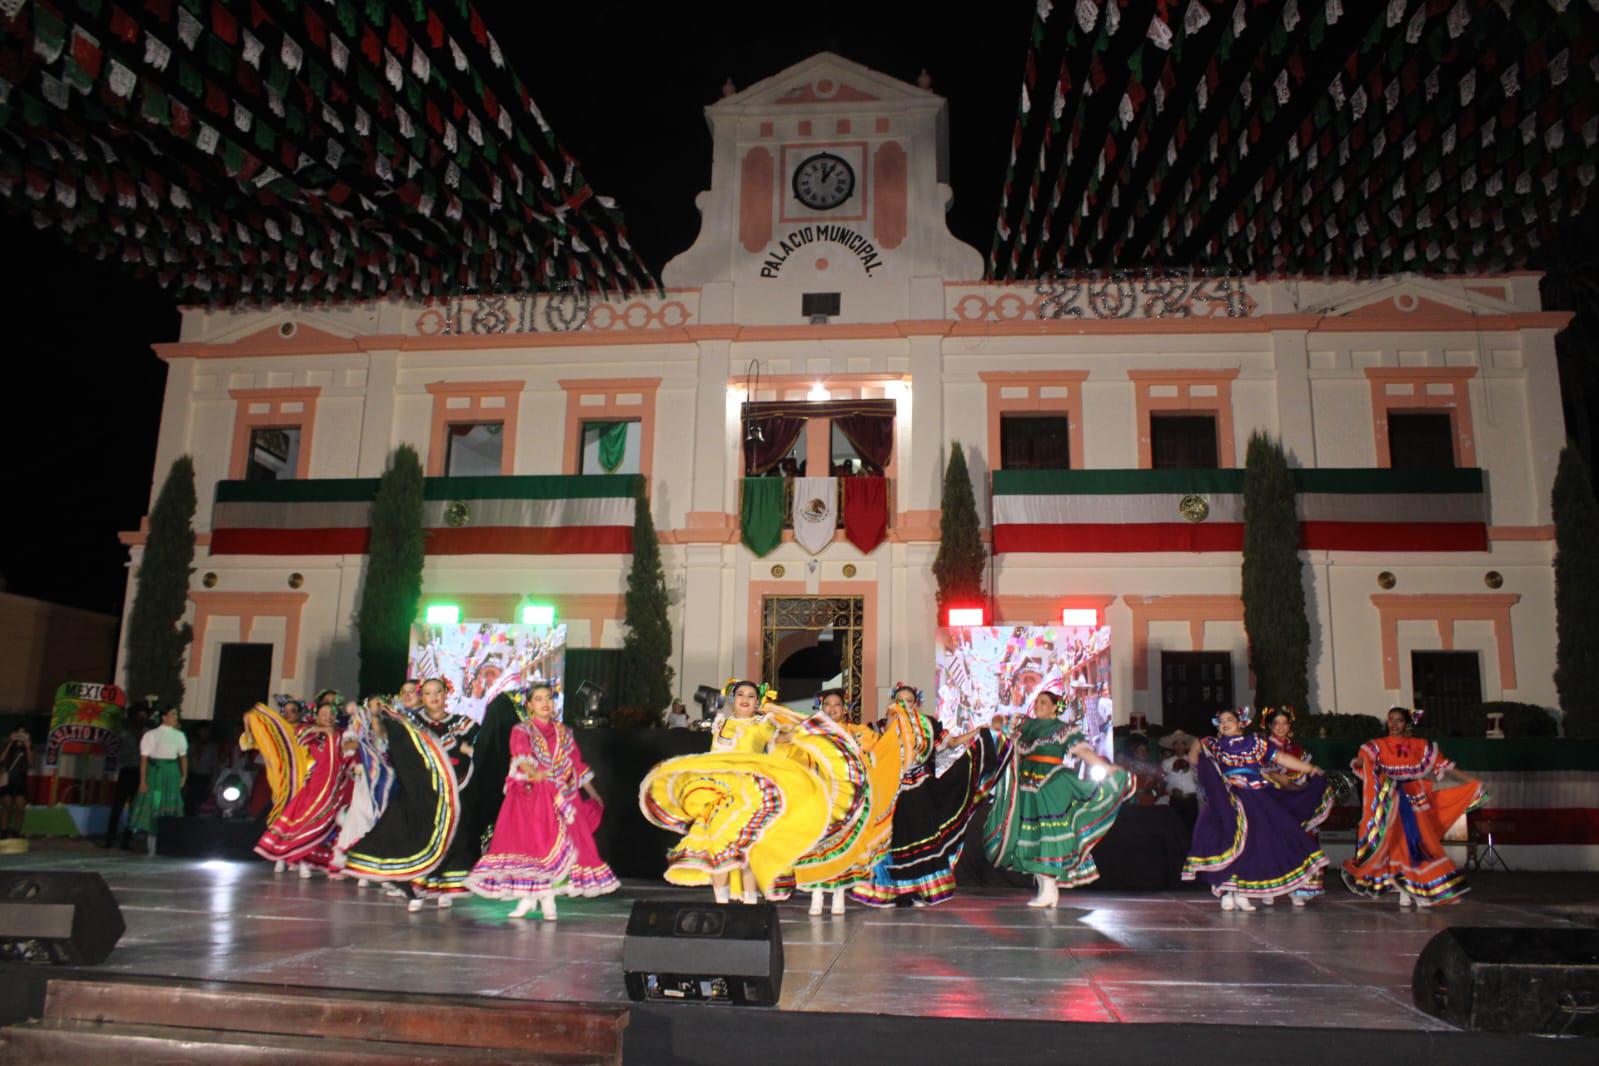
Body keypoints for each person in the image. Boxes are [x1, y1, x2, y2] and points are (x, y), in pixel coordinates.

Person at [640, 680, 831, 904]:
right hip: (719, 791)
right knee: (717, 845)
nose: (745, 699)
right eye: (741, 694)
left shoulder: (764, 723)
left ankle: (750, 903)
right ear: (733, 699)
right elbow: (713, 756)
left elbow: (786, 737)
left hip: (750, 792)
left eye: (751, 696)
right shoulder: (720, 723)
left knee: (747, 849)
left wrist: (811, 731)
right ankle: (721, 902)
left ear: (757, 701)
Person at [466, 682, 619, 920]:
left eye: (548, 698)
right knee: (533, 848)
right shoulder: (522, 730)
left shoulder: (564, 732)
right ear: (529, 705)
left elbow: (576, 765)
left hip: (563, 798)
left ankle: (545, 897)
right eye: (538, 699)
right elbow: (521, 755)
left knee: (556, 849)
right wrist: (534, 772)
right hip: (532, 798)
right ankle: (530, 898)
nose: (545, 703)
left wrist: (592, 791)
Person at [852, 683, 1009, 908]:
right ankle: (893, 891)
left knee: (920, 843)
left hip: (921, 792)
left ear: (916, 704)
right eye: (899, 700)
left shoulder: (927, 725)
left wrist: (978, 732)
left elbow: (951, 743)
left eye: (908, 701)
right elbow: (871, 752)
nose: (904, 704)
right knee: (892, 844)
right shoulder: (880, 727)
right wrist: (891, 723)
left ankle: (919, 891)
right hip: (891, 794)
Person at [983, 688, 1133, 907]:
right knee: (1033, 835)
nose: (1039, 705)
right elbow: (997, 725)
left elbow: (1083, 752)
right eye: (1037, 702)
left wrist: (1106, 768)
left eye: (1045, 702)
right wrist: (1002, 721)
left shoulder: (1063, 729)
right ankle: (1047, 890)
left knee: (1048, 832)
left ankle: (1049, 889)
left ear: (1055, 707)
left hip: (1052, 782)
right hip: (1027, 785)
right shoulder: (1026, 726)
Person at [1182, 708, 1330, 910]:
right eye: (1221, 721)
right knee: (1228, 840)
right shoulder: (1213, 745)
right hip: (1228, 799)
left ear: (1241, 722)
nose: (1225, 723)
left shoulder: (1256, 743)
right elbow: (1194, 760)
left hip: (1257, 797)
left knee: (1257, 842)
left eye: (1230, 720)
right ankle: (1227, 890)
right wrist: (1196, 745)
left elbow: (1281, 758)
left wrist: (1310, 768)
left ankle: (1241, 891)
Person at [1342, 707, 1484, 908]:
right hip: (1390, 800)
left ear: (1406, 723)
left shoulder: (1419, 746)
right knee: (1397, 843)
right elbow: (1365, 763)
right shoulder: (1376, 746)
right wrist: (1359, 762)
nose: (1394, 724)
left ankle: (1416, 888)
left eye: (1399, 720)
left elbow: (1445, 766)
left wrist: (1471, 781)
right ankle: (1404, 890)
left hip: (1414, 798)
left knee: (1418, 843)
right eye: (1391, 720)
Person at [340, 706, 462, 911]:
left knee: (435, 839)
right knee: (392, 835)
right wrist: (371, 716)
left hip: (433, 793)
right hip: (405, 792)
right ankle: (409, 889)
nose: (433, 698)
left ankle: (440, 889)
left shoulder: (447, 724)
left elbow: (457, 750)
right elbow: (379, 735)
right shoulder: (398, 725)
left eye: (437, 693)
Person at [408, 677, 483, 906]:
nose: (433, 697)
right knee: (426, 836)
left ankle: (445, 888)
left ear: (446, 693)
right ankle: (418, 889)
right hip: (426, 788)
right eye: (428, 693)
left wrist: (464, 748)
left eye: (438, 692)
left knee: (453, 835)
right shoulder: (414, 722)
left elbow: (476, 749)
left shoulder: (463, 723)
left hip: (455, 787)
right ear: (423, 697)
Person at [254, 699, 348, 877]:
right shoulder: (310, 732)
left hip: (336, 788)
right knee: (308, 822)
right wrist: (322, 730)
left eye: (331, 714)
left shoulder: (341, 735)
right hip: (315, 787)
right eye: (324, 715)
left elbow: (350, 753)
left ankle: (321, 861)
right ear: (317, 717)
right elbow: (300, 735)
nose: (328, 718)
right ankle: (298, 858)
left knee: (332, 826)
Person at [331, 700, 395, 884]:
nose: (379, 705)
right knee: (361, 820)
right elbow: (347, 748)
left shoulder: (389, 725)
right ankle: (361, 868)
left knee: (382, 821)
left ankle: (380, 869)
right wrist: (362, 750)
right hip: (365, 781)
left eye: (381, 703)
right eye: (375, 703)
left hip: (387, 781)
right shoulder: (358, 725)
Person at [129, 706, 188, 856]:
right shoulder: (151, 735)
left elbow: (183, 757)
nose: (175, 717)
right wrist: (142, 780)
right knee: (154, 805)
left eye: (176, 714)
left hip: (171, 772)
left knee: (168, 806)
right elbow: (144, 758)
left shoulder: (179, 735)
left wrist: (184, 775)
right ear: (164, 717)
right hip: (155, 772)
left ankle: (166, 844)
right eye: (172, 714)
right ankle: (150, 845)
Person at [103, 706, 149, 848]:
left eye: (144, 716)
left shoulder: (147, 733)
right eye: (139, 715)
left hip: (140, 773)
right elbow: (115, 736)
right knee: (118, 806)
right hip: (127, 771)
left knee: (134, 809)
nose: (142, 719)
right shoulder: (125, 732)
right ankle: (110, 840)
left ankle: (126, 840)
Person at [1, 727, 33, 839]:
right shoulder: (8, 746)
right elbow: (1, 759)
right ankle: (3, 831)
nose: (20, 735)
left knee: (20, 808)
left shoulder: (27, 747)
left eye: (23, 733)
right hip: (8, 778)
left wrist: (28, 747)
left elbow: (31, 763)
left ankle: (16, 832)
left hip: (21, 779)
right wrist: (10, 742)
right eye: (18, 732)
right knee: (6, 806)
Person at [184, 724, 218, 815]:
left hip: (204, 777)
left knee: (202, 801)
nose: (204, 734)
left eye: (206, 732)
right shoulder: (192, 745)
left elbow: (214, 765)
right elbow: (186, 761)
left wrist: (213, 781)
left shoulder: (212, 747)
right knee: (189, 801)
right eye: (202, 731)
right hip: (192, 775)